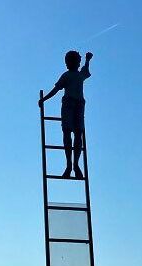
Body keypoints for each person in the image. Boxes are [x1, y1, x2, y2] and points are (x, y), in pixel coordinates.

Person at [39, 50, 93, 179]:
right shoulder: (66, 76)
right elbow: (56, 89)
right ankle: (69, 164)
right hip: (68, 105)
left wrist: (88, 60)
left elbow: (85, 71)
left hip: (79, 105)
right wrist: (44, 99)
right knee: (67, 133)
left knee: (78, 134)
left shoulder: (79, 75)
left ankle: (75, 165)